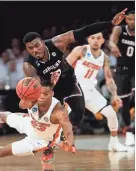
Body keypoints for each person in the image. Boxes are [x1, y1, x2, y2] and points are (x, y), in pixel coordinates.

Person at [22, 9, 127, 159]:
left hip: (69, 82)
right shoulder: (28, 65)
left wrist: (110, 23)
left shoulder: (58, 42)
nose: (35, 50)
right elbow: (39, 88)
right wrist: (50, 85)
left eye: (37, 45)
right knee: (50, 120)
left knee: (78, 111)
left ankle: (63, 136)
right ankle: (48, 146)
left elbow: (85, 30)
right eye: (30, 48)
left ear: (42, 42)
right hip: (51, 89)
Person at [66, 32, 127, 151]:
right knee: (63, 117)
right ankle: (46, 139)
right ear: (88, 39)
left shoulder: (105, 58)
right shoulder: (81, 50)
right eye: (92, 37)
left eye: (98, 38)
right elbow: (64, 66)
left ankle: (114, 144)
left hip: (90, 91)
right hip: (74, 89)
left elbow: (109, 79)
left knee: (111, 114)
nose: (95, 40)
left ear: (103, 40)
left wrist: (115, 95)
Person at [0, 80, 75, 162]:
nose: (42, 96)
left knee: (3, 152)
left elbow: (68, 130)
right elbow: (21, 105)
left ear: (52, 94)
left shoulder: (59, 112)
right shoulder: (33, 98)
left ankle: (49, 148)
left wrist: (70, 142)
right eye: (40, 93)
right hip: (30, 123)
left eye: (45, 94)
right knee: (2, 116)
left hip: (41, 139)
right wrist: (25, 95)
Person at [109, 10, 135, 146]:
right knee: (124, 103)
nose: (132, 22)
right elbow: (112, 41)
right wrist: (113, 46)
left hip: (134, 71)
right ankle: (129, 132)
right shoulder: (119, 29)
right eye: (130, 19)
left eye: (134, 19)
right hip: (121, 70)